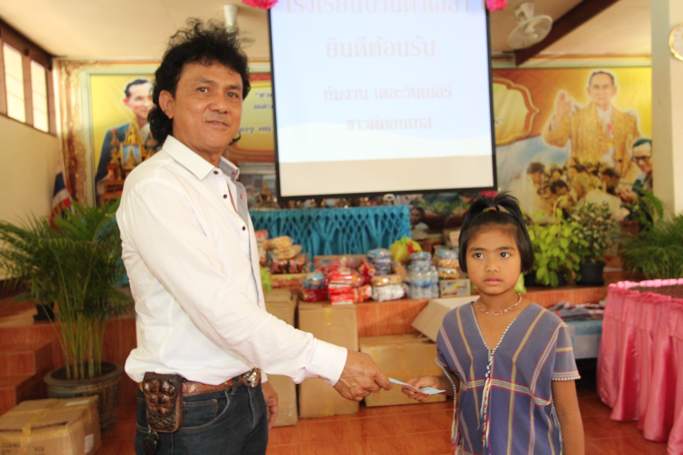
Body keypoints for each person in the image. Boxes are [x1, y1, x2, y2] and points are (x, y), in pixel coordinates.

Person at [116, 20, 389, 455]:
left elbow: (240, 298)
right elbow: (216, 308)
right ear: (167, 102)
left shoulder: (225, 184)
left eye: (232, 93)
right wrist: (333, 363)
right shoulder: (156, 186)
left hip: (238, 398)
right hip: (191, 418)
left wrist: (255, 378)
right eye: (203, 90)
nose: (221, 105)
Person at [401, 193, 585, 455]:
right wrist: (437, 383)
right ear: (463, 260)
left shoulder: (550, 329)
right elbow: (467, 382)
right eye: (478, 255)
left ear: (523, 258)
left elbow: (568, 413)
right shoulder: (454, 324)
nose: (491, 266)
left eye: (504, 254)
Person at [543, 71, 639, 177]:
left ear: (614, 90)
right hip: (584, 181)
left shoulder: (628, 120)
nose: (601, 92)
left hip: (618, 181)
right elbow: (556, 140)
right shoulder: (576, 117)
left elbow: (635, 156)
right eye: (596, 87)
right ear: (589, 91)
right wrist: (559, 115)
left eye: (605, 87)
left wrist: (626, 181)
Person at [95, 78, 157, 201]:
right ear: (127, 102)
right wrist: (109, 179)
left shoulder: (167, 133)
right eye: (139, 98)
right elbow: (100, 181)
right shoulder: (115, 134)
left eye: (150, 98)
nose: (146, 104)